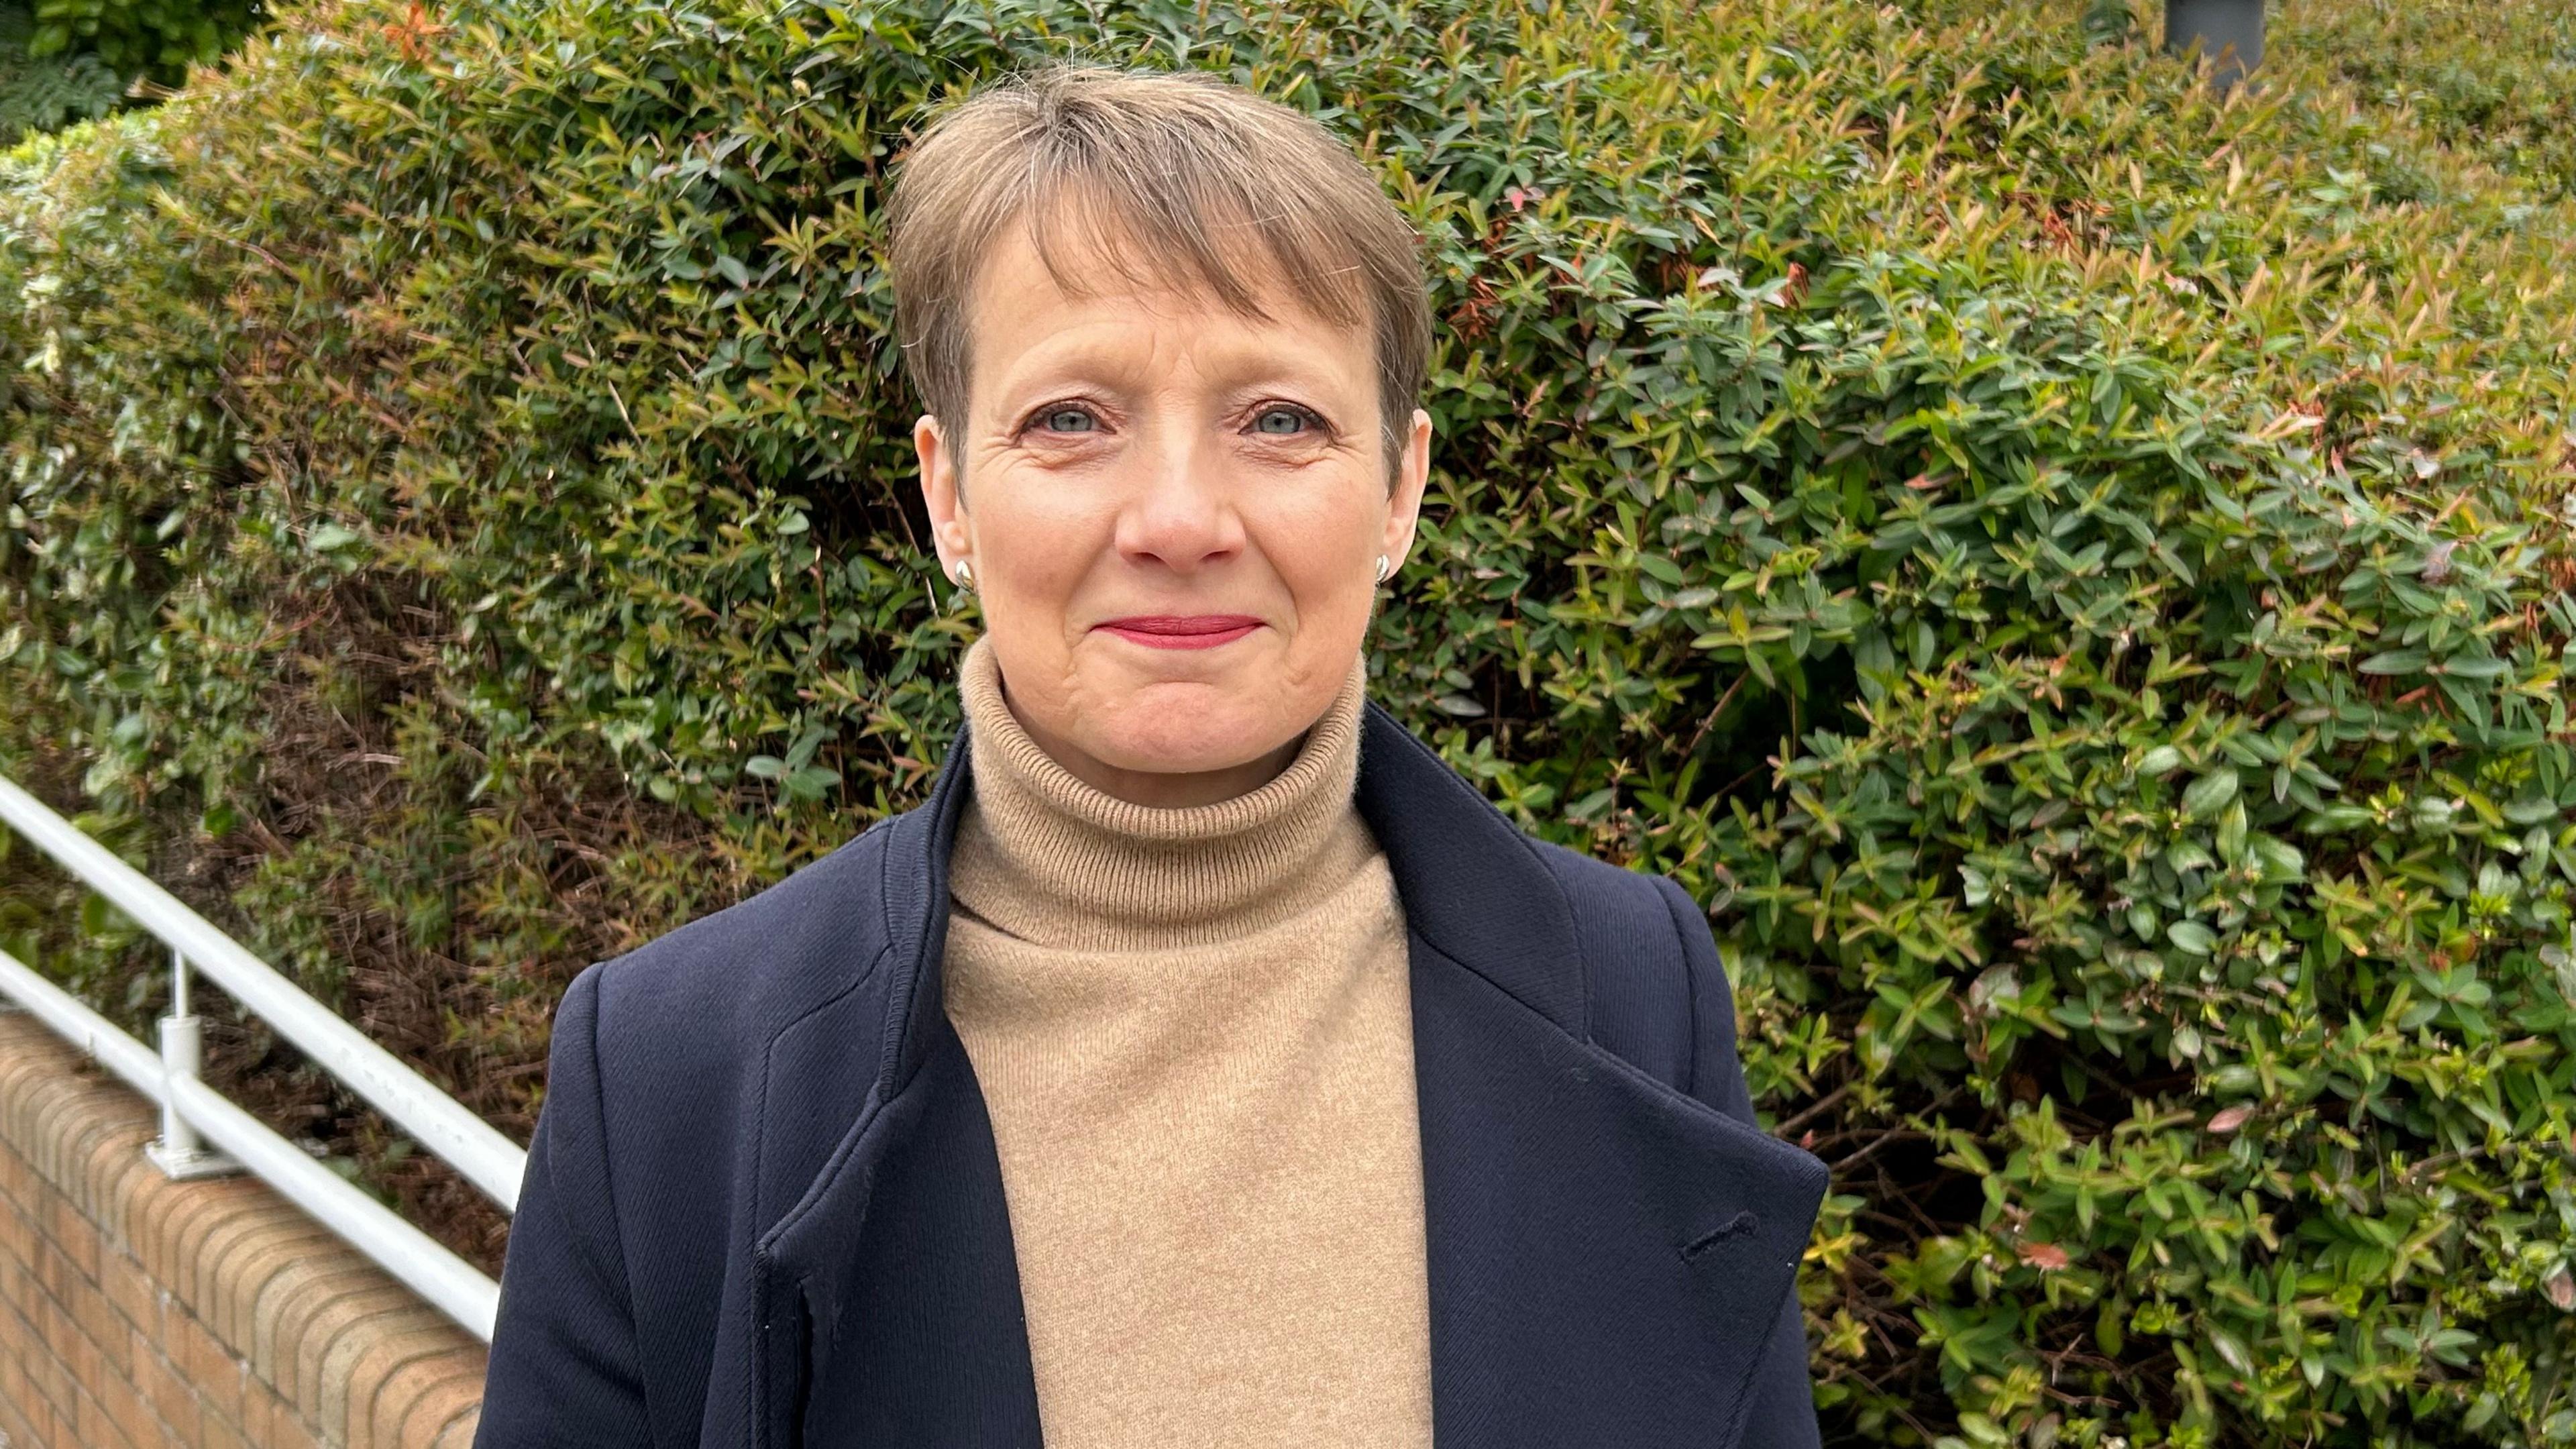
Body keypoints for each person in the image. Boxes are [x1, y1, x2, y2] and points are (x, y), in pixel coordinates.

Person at [472, 61, 1828, 1449]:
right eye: (1072, 420)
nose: (1179, 520)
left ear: (1399, 491)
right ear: (947, 495)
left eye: (1281, 421)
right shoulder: (668, 1072)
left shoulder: (1634, 987)